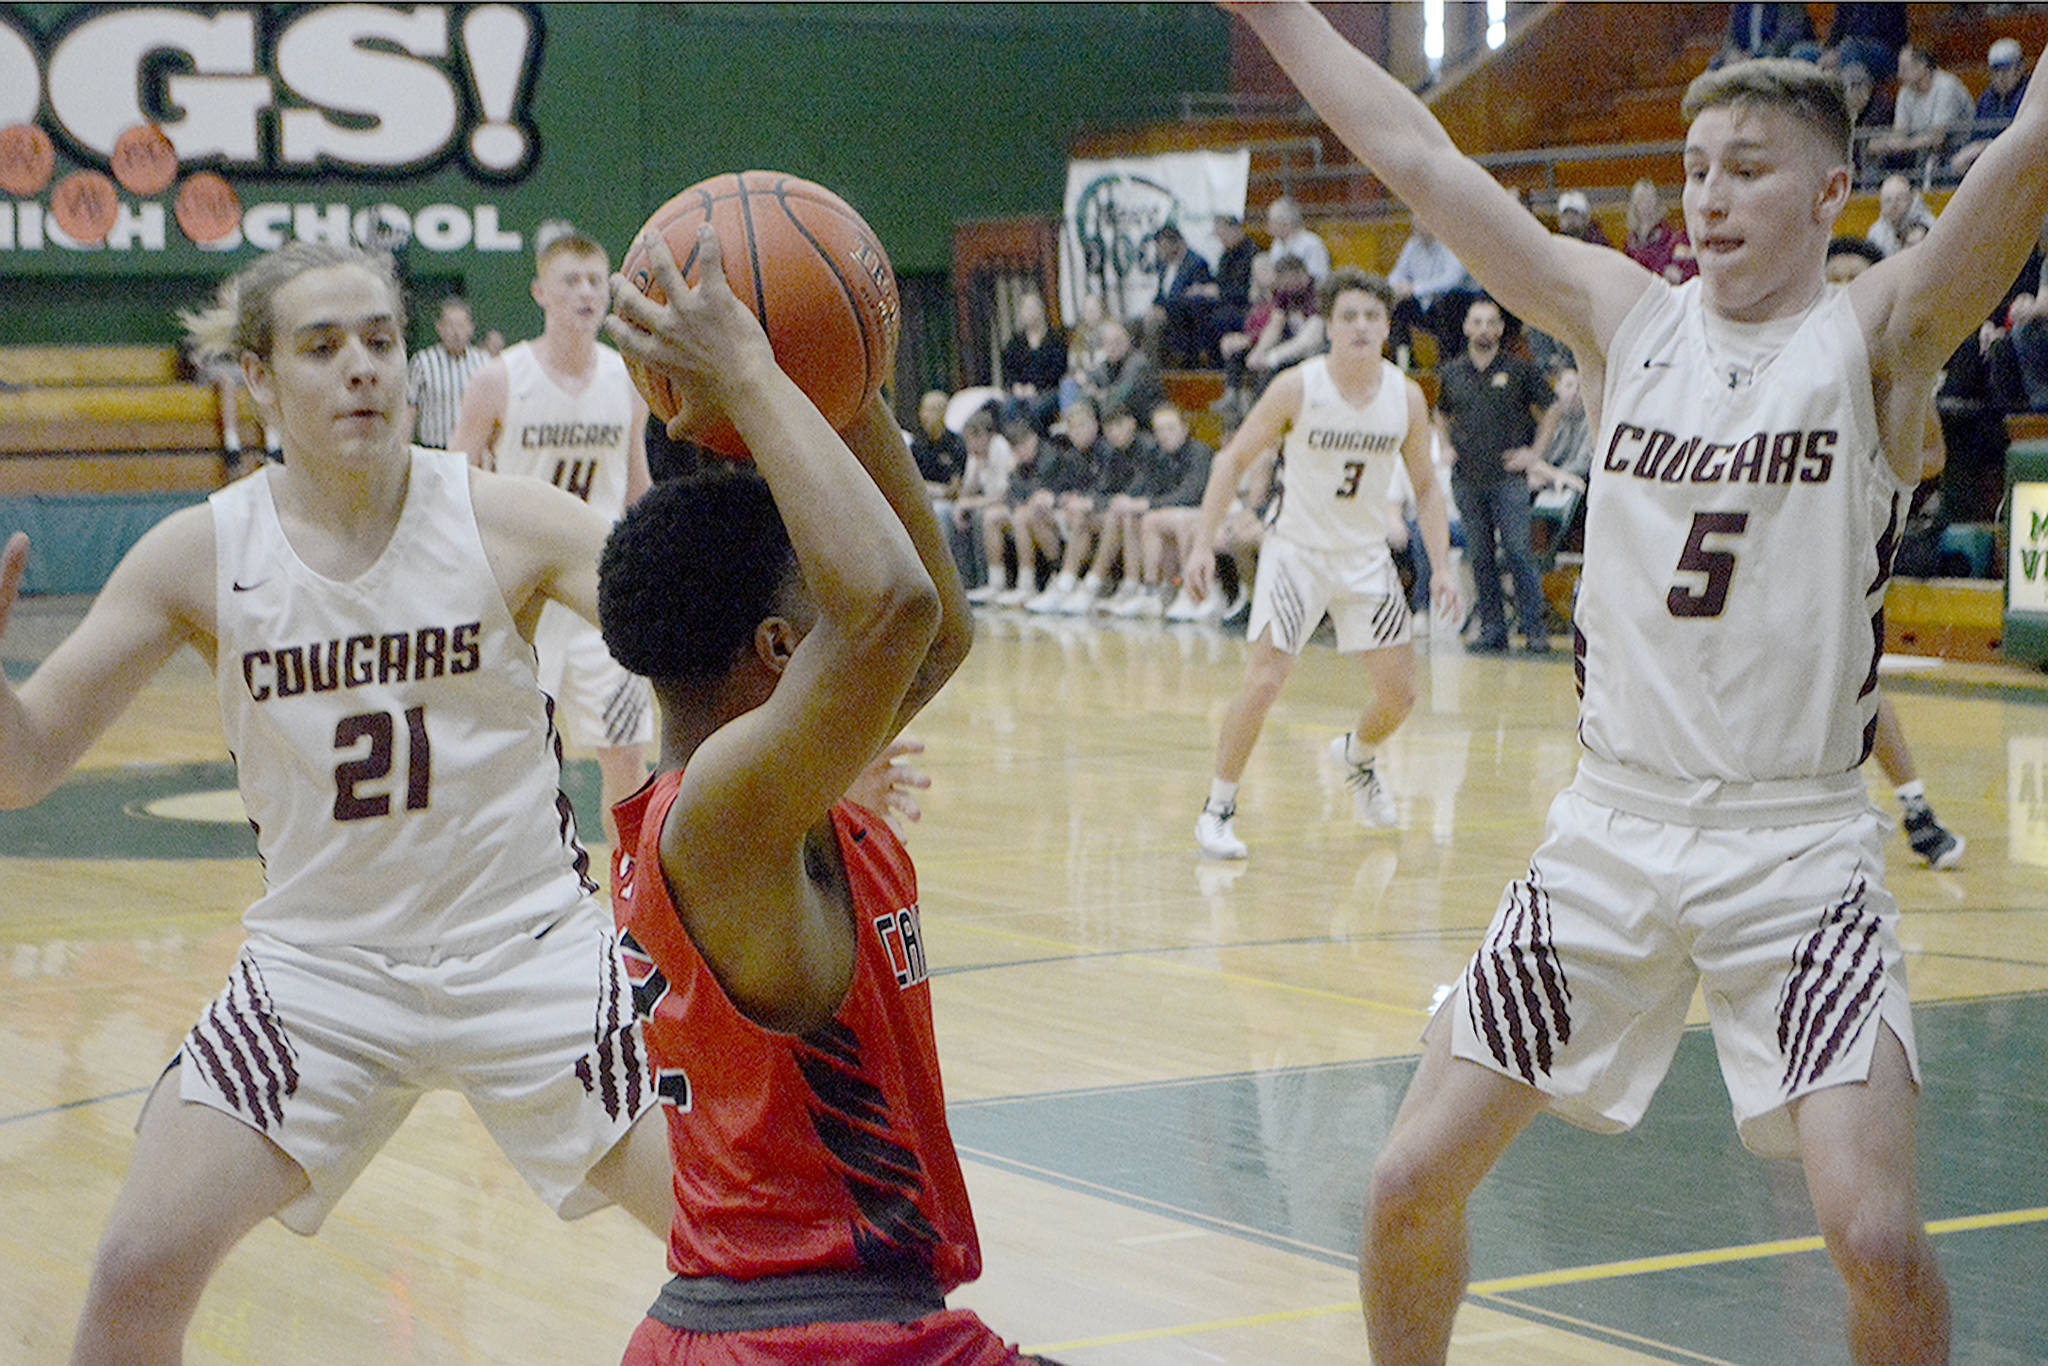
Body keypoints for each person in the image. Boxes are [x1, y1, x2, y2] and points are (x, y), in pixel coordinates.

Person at [1232, 6, 2048, 1360]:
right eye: (1696, 167)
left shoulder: (1878, 336)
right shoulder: (1623, 317)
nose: (1710, 195)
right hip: (1609, 835)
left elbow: (2024, 162)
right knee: (1402, 1182)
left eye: (1749, 167)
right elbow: (1420, 160)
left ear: (1832, 188)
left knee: (1881, 1239)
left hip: (1799, 851)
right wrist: (1277, 16)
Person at [0, 242, 675, 1366]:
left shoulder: (500, 520)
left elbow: (714, 640)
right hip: (321, 972)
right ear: (258, 379)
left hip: (530, 951)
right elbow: (21, 765)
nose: (361, 365)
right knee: (135, 1267)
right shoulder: (202, 553)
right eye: (320, 346)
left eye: (378, 338)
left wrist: (837, 754)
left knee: (738, 1236)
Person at [596, 224, 1052, 1365]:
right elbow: (890, 607)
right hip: (808, 1338)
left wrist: (849, 379)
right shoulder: (718, 813)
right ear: (777, 646)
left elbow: (932, 633)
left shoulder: (762, 790)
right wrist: (751, 375)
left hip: (829, 1327)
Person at [1182, 267, 1459, 860]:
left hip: (1365, 558)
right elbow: (1229, 462)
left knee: (1401, 696)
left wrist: (1440, 566)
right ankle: (1217, 810)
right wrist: (1204, 543)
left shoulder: (1405, 396)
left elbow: (1428, 489)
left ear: (1387, 327)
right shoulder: (1296, 388)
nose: (1361, 326)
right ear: (1328, 326)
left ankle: (1357, 757)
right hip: (1297, 553)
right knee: (1264, 682)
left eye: (1372, 317)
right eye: (1349, 316)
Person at [450, 221, 654, 843]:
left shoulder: (627, 380)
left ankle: (633, 911)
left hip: (602, 594)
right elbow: (454, 481)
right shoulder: (499, 378)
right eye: (571, 281)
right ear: (541, 292)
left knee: (625, 756)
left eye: (595, 281)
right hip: (525, 594)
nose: (585, 293)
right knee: (519, 761)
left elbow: (636, 484)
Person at [1434, 295, 1558, 653]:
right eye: (1478, 321)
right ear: (1466, 327)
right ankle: (1493, 629)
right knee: (1481, 555)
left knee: (1519, 552)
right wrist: (1445, 446)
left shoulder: (1519, 369)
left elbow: (1551, 408)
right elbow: (1440, 414)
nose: (1484, 328)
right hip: (1467, 478)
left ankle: (1535, 630)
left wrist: (1535, 454)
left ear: (1502, 329)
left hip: (1508, 478)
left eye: (1492, 322)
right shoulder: (1453, 371)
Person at [1868, 43, 1974, 180]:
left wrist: (1902, 144)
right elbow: (1900, 133)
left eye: (1905, 68)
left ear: (1922, 66)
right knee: (1882, 164)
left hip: (1954, 150)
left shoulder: (1946, 86)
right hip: (1919, 152)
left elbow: (1937, 138)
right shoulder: (1905, 91)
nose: (1899, 74)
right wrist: (1883, 143)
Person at [407, 294, 488, 450]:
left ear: (471, 328)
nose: (456, 333)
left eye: (461, 325)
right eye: (450, 325)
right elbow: (410, 411)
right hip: (433, 448)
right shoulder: (422, 362)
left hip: (470, 451)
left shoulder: (483, 362)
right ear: (439, 328)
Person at [1387, 225, 1478, 363]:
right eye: (1417, 222)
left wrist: (1414, 288)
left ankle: (1447, 364)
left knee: (1446, 301)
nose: (1421, 227)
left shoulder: (1453, 243)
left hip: (1457, 306)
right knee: (1399, 306)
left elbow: (1451, 280)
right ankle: (1405, 362)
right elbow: (1395, 275)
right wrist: (1398, 287)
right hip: (1426, 305)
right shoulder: (1412, 244)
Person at [1951, 37, 2031, 178]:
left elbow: (2024, 137)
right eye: (1995, 71)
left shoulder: (2029, 93)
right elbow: (1976, 135)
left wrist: (1985, 146)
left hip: (2020, 161)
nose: (2000, 77)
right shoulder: (1986, 98)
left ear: (2020, 69)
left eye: (2006, 70)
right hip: (1988, 163)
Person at [1142, 223, 1217, 368]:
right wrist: (1155, 307)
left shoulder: (1196, 264)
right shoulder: (1164, 266)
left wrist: (1165, 310)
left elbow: (1194, 297)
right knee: (1136, 324)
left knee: (1152, 325)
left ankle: (1154, 370)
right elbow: (1160, 295)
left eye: (1164, 247)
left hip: (1183, 316)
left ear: (1176, 244)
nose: (1162, 251)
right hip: (1165, 310)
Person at [998, 290, 1066, 435]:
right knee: (1008, 407)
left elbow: (1057, 370)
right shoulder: (1015, 342)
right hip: (1020, 391)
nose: (1030, 313)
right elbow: (1008, 370)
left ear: (1041, 310)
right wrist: (1016, 386)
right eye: (1026, 309)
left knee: (1035, 408)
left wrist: (1035, 387)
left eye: (1033, 308)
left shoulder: (1054, 340)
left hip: (1047, 390)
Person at [1622, 179, 1698, 284]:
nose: (1645, 205)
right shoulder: (1631, 242)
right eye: (1640, 200)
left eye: (1649, 199)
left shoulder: (1673, 237)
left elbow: (1687, 270)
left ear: (1657, 202)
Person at [1260, 194, 1331, 283]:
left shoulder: (1312, 244)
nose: (1268, 226)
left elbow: (1319, 277)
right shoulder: (1276, 244)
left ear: (1286, 223)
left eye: (1271, 221)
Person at [1867, 173, 1938, 258]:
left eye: (1899, 199)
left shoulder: (1931, 226)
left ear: (1910, 199)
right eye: (1888, 200)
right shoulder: (1875, 233)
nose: (1893, 206)